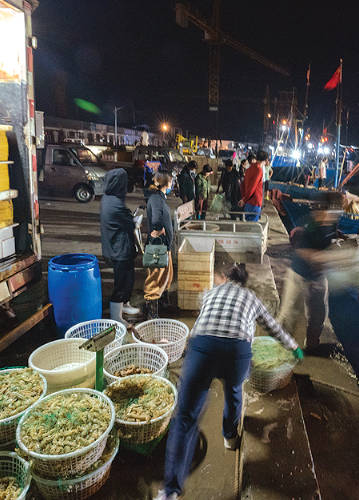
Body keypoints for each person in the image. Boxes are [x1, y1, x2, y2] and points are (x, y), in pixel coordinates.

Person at [157, 264, 302, 500]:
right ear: (244, 283)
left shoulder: (210, 293)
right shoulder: (252, 298)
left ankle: (171, 491)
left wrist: (191, 350)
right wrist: (293, 347)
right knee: (234, 392)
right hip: (237, 352)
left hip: (202, 348)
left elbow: (202, 319)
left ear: (225, 279)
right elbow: (273, 327)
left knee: (184, 418)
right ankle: (229, 437)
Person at [277, 210, 335, 351]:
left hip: (318, 276)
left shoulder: (332, 223)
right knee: (288, 313)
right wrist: (323, 258)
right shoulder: (310, 224)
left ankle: (312, 345)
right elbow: (302, 250)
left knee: (319, 314)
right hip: (298, 275)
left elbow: (330, 241)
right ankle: (280, 347)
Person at [100, 169, 139, 325]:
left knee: (128, 279)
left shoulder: (109, 197)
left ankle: (125, 305)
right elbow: (130, 223)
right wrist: (135, 221)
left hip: (120, 248)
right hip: (118, 250)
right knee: (122, 283)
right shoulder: (115, 204)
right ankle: (116, 317)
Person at [144, 171, 175, 319]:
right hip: (159, 247)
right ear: (166, 183)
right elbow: (156, 218)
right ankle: (152, 315)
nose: (172, 184)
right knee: (155, 280)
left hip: (164, 247)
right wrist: (159, 230)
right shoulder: (156, 199)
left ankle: (163, 306)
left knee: (166, 278)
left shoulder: (158, 197)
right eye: (171, 181)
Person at [239, 150, 269, 221]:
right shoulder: (259, 170)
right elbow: (253, 187)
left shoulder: (249, 169)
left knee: (248, 226)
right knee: (253, 228)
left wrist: (244, 198)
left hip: (247, 203)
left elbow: (242, 184)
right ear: (265, 160)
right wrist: (244, 200)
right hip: (255, 202)